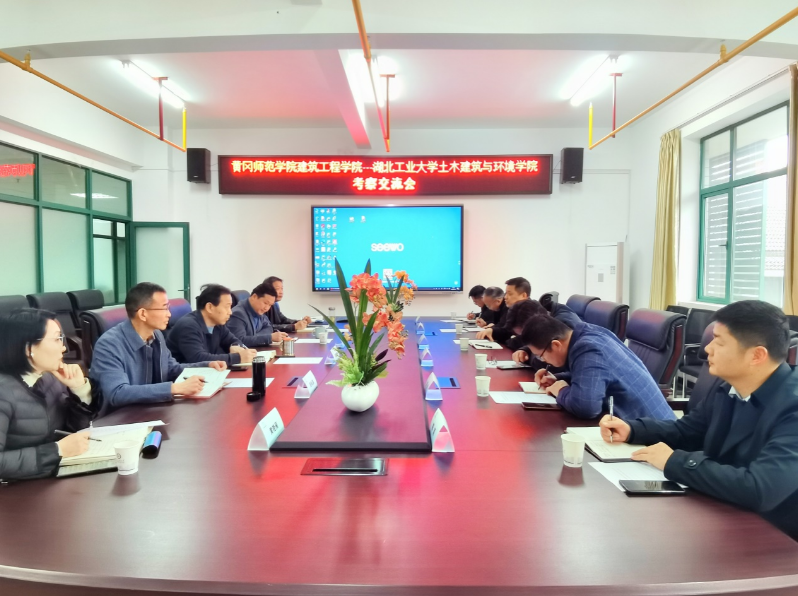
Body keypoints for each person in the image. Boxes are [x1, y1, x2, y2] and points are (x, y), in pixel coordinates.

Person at [600, 300, 798, 541]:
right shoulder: (728, 387)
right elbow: (687, 432)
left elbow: (760, 489)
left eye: (719, 342)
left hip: (776, 539)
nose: (708, 349)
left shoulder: (792, 408)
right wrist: (633, 430)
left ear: (756, 355)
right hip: (723, 513)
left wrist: (675, 462)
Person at [90, 283, 226, 411]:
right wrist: (174, 389)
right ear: (143, 314)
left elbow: (171, 369)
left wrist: (207, 365)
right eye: (164, 308)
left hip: (149, 410)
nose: (169, 314)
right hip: (119, 418)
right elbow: (117, 393)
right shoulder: (109, 345)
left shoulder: (156, 335)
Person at [0, 309, 96, 480]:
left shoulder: (48, 377)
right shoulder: (3, 392)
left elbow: (70, 432)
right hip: (17, 490)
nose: (64, 347)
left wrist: (80, 390)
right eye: (57, 339)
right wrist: (57, 450)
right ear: (29, 349)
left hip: (52, 476)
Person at [524, 315, 675, 421]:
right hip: (650, 425)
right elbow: (599, 374)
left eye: (541, 356)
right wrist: (557, 378)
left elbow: (586, 407)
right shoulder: (590, 332)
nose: (543, 360)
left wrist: (561, 391)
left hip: (655, 438)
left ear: (556, 345)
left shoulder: (587, 349)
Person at [166, 284, 257, 366]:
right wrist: (238, 357)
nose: (230, 312)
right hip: (185, 377)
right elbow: (198, 358)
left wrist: (235, 346)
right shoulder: (188, 326)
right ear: (209, 307)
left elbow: (233, 340)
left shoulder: (218, 323)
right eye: (227, 307)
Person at [227, 282, 289, 347]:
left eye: (270, 305)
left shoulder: (258, 310)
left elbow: (269, 327)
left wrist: (255, 337)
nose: (266, 308)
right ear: (254, 297)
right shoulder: (238, 314)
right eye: (265, 303)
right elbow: (239, 341)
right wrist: (269, 338)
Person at [476, 299, 547, 350]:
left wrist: (521, 348)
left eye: (510, 293)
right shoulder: (516, 311)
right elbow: (507, 331)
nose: (505, 297)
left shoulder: (548, 340)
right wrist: (492, 331)